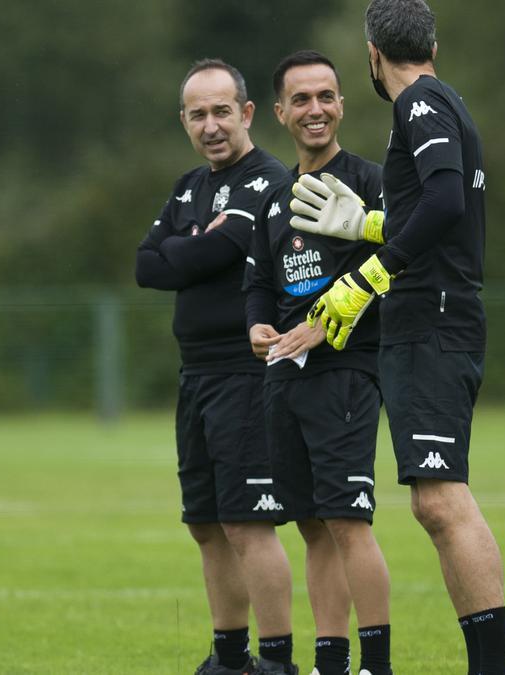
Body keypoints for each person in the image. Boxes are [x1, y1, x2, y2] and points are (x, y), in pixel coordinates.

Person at [289, 1, 505, 673]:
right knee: (431, 500)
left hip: (433, 317)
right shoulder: (439, 101)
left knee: (442, 499)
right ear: (434, 45)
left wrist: (368, 275)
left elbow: (447, 203)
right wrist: (369, 225)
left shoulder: (417, 104)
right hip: (432, 315)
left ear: (371, 54)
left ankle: (496, 666)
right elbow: (436, 212)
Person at [134, 58, 296, 675]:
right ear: (184, 121)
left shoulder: (269, 180)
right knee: (205, 524)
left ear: (247, 113)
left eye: (221, 111)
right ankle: (230, 658)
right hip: (195, 374)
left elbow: (212, 252)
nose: (211, 126)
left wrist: (193, 245)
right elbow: (149, 267)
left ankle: (277, 660)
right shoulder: (187, 187)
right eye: (198, 114)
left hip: (247, 374)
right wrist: (198, 242)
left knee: (247, 524)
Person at [245, 50, 392, 675]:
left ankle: (376, 665)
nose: (315, 109)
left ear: (342, 104)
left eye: (326, 96)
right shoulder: (275, 199)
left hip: (347, 374)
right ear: (279, 113)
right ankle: (330, 661)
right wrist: (257, 324)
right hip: (284, 378)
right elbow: (257, 280)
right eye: (301, 99)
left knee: (348, 520)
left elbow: (396, 271)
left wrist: (322, 327)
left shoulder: (372, 183)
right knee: (309, 524)